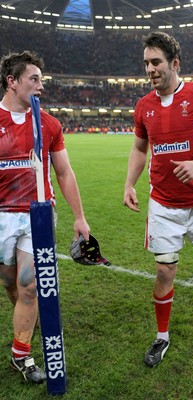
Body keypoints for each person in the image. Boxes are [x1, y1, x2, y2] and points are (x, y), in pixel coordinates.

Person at [123, 32, 193, 368]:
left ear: (174, 63)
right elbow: (138, 149)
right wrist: (129, 183)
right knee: (164, 270)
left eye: (156, 62)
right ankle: (162, 337)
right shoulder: (144, 106)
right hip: (162, 203)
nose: (150, 69)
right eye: (146, 63)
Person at [0, 50, 90, 383]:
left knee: (28, 285)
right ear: (12, 82)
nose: (41, 85)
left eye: (41, 79)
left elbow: (64, 173)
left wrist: (79, 217)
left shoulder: (48, 123)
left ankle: (21, 356)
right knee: (10, 282)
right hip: (1, 215)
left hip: (37, 215)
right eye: (33, 79)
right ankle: (25, 317)